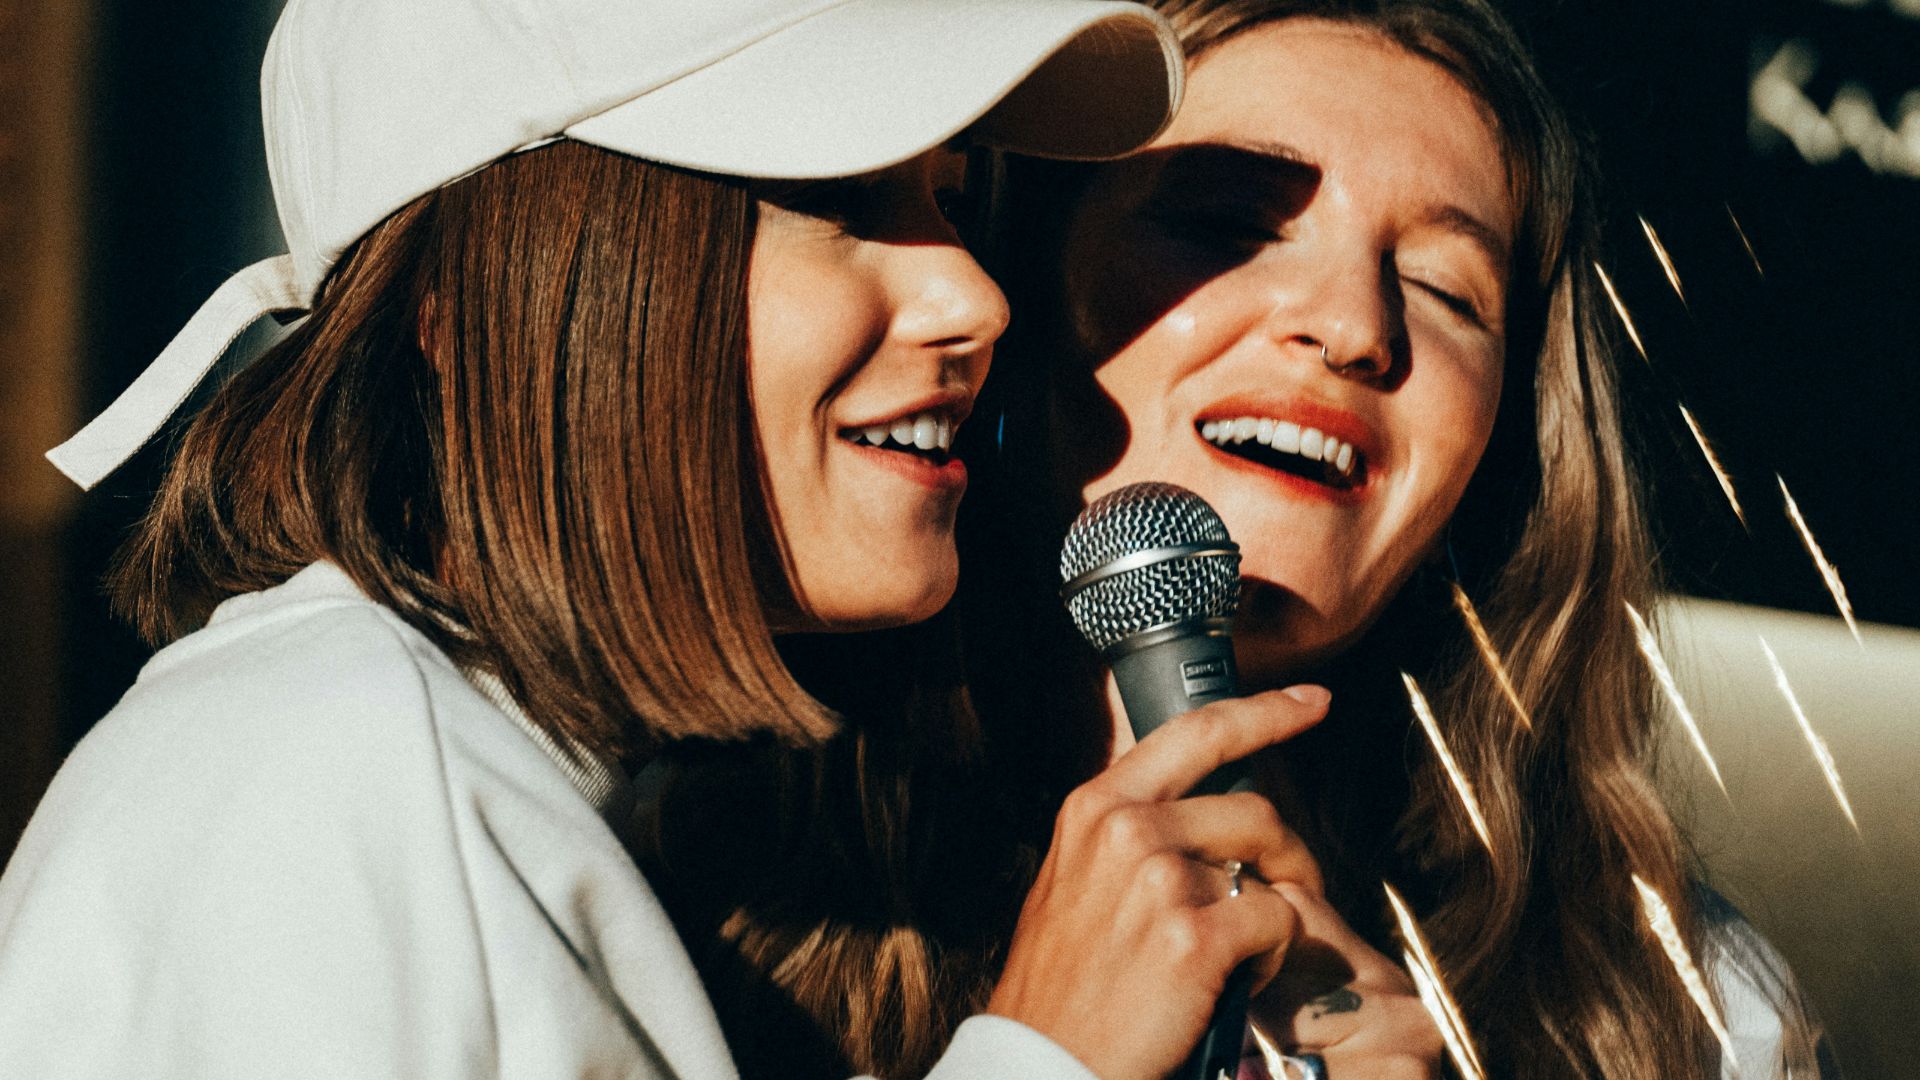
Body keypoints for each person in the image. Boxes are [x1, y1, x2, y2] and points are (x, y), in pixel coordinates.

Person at [0, 2, 1335, 1078]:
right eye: (836, 195)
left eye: (946, 197)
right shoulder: (312, 789)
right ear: (480, 294)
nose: (969, 289)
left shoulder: (487, 791)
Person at [653, 1, 1839, 1078]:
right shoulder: (665, 892)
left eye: (1443, 287)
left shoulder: (1684, 1006)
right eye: (1225, 226)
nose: (1354, 325)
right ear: (1005, 287)